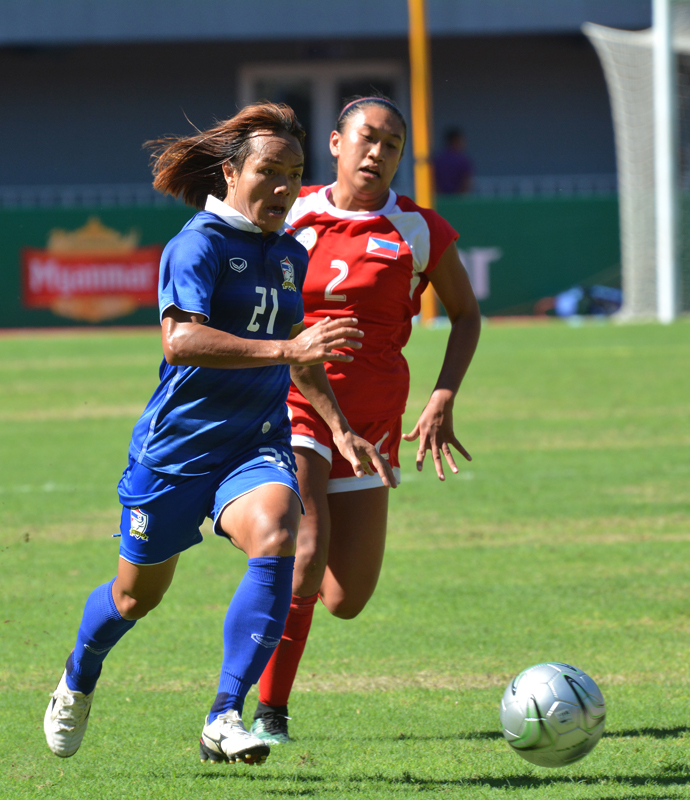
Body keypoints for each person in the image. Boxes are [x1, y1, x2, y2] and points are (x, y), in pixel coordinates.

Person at [42, 102, 395, 766]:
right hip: (176, 450)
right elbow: (181, 341)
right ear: (231, 172)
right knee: (132, 598)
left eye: (294, 173)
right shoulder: (198, 244)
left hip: (253, 444)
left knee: (280, 536)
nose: (284, 187)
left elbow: (298, 347)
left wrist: (342, 430)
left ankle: (224, 715)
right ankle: (79, 672)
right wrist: (285, 353)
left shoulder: (290, 252)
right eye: (269, 170)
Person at [250, 95, 482, 743]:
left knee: (346, 599)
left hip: (373, 421)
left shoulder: (418, 230)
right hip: (292, 404)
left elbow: (466, 314)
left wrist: (444, 395)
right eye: (367, 138)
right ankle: (269, 715)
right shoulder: (289, 212)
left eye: (392, 145)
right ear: (335, 143)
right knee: (304, 551)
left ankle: (268, 576)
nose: (377, 152)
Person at [432, 126, 473, 195]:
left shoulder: (437, 159)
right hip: (457, 200)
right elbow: (466, 181)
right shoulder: (462, 160)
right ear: (455, 140)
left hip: (440, 199)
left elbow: (431, 181)